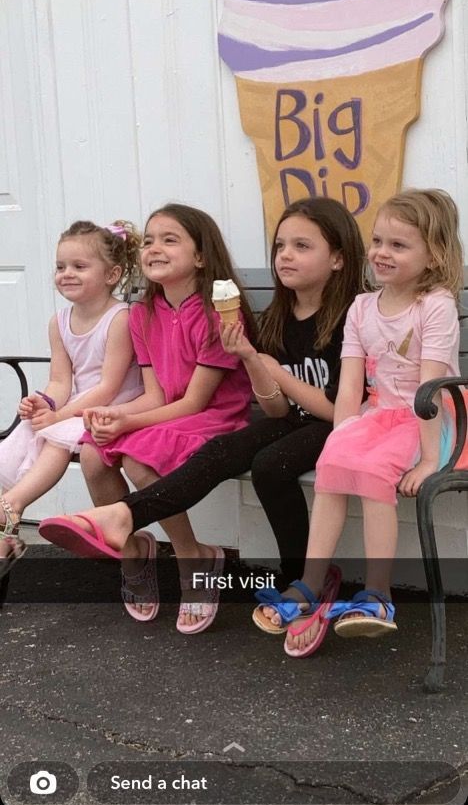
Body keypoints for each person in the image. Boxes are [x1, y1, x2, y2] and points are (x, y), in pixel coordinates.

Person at [39, 197, 365, 632]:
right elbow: (276, 408)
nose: (285, 255)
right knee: (204, 451)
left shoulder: (353, 316)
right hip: (290, 419)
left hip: (335, 424)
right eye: (281, 246)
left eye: (301, 246)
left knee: (269, 466)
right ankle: (128, 531)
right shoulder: (275, 319)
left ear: (339, 258)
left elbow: (339, 413)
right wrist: (253, 360)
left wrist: (265, 369)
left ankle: (298, 578)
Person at [40, 203, 255, 629]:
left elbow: (194, 403)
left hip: (216, 416)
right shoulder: (143, 314)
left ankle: (193, 557)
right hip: (170, 413)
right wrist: (113, 414)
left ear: (200, 256)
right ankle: (134, 551)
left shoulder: (216, 312)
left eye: (170, 239)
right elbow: (155, 395)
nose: (155, 247)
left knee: (140, 456)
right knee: (92, 451)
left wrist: (129, 422)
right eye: (151, 240)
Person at [273, 188, 463, 659]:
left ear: (433, 254)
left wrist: (426, 460)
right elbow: (352, 387)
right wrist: (341, 438)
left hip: (429, 420)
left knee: (378, 469)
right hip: (378, 414)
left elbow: (432, 390)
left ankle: (379, 594)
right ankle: (312, 581)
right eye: (378, 240)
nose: (381, 252)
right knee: (334, 459)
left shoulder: (434, 305)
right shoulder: (361, 307)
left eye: (398, 245)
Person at [0, 219, 144, 577]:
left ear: (112, 274)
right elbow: (61, 380)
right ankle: (5, 524)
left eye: (79, 267)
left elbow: (108, 386)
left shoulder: (120, 318)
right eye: (60, 266)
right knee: (30, 432)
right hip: (77, 407)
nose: (67, 274)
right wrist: (44, 403)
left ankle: (12, 507)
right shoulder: (59, 321)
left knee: (55, 440)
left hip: (114, 406)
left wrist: (59, 415)